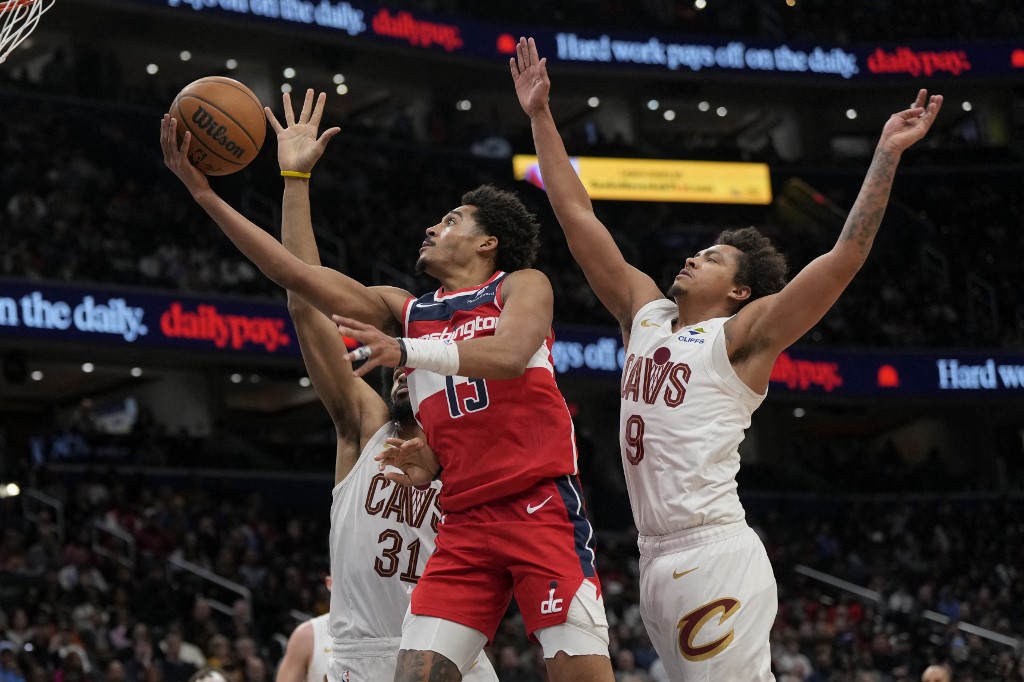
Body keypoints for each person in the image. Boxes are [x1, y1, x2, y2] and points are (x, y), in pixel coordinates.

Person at [510, 35, 942, 682]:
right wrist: (541, 115)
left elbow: (844, 258)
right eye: (698, 251)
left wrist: (884, 153)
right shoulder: (644, 313)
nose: (691, 257)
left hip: (711, 551)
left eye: (711, 258)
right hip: (654, 559)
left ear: (739, 291)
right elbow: (576, 216)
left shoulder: (743, 337)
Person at [160, 91, 607, 680]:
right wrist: (219, 192)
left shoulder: (520, 285)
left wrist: (406, 350)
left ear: (486, 242)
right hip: (466, 518)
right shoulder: (407, 308)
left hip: (536, 504)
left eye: (451, 221)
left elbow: (509, 354)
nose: (432, 226)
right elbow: (298, 278)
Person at [262, 94, 496, 682]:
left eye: (408, 363)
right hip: (364, 657)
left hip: (454, 656)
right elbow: (304, 301)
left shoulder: (472, 453)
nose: (398, 372)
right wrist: (295, 180)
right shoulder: (366, 425)